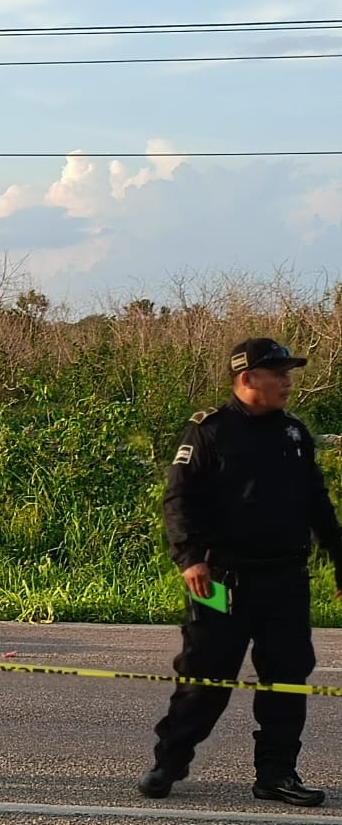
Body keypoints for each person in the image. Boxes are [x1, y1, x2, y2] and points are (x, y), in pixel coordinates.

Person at [138, 338, 342, 808]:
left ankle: (276, 774)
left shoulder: (295, 433)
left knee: (287, 676)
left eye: (289, 373)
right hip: (219, 581)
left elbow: (317, 502)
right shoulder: (209, 432)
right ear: (248, 378)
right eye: (279, 373)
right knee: (206, 675)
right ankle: (169, 761)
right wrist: (189, 557)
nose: (288, 382)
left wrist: (338, 557)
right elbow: (178, 501)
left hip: (286, 580)